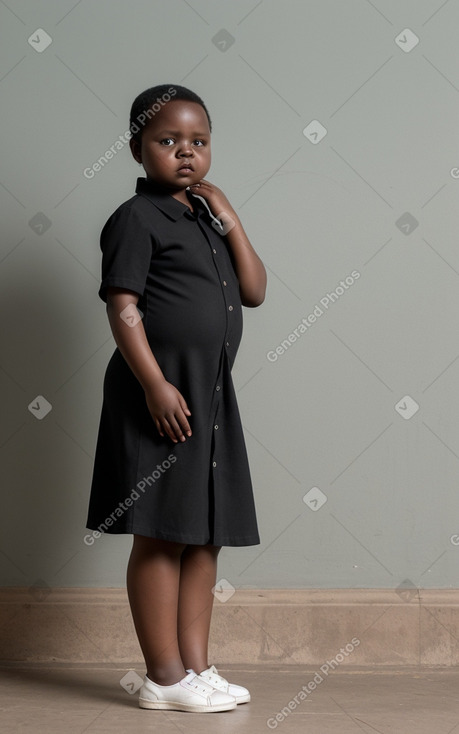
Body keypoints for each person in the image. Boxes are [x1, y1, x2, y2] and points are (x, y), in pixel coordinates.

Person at [86, 83, 267, 714]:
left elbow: (254, 290)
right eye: (168, 141)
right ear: (138, 148)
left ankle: (196, 667)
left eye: (199, 142)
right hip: (160, 396)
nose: (185, 153)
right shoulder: (137, 218)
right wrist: (155, 384)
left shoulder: (206, 218)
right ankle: (163, 674)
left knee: (203, 534)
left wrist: (232, 218)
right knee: (161, 534)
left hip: (210, 398)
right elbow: (123, 305)